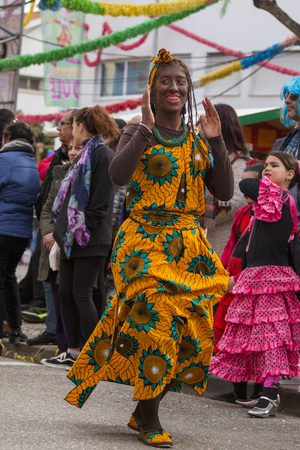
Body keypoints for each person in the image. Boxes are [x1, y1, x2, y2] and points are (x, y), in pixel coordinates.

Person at [65, 49, 233, 448]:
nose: (174, 87)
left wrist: (217, 140)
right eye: (165, 81)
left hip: (188, 247)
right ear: (153, 91)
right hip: (143, 242)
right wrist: (144, 127)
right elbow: (118, 176)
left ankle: (142, 410)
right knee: (155, 318)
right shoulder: (136, 132)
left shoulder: (198, 138)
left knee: (179, 330)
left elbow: (224, 191)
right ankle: (150, 420)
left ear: (188, 89)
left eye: (181, 81)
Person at [210, 151, 300, 418]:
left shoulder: (282, 198)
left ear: (291, 175)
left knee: (271, 339)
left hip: (273, 279)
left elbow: (244, 184)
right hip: (255, 277)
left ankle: (271, 395)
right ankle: (263, 393)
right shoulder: (265, 205)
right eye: (266, 166)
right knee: (254, 338)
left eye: (274, 166)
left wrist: (261, 176)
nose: (267, 170)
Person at [40, 105, 119, 368]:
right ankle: (72, 351)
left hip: (90, 238)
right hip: (72, 237)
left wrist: (79, 229)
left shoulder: (102, 154)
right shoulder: (84, 154)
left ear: (81, 127)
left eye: (71, 125)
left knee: (83, 294)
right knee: (66, 292)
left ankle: (96, 356)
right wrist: (64, 232)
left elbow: (101, 203)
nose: (69, 130)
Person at [210, 160, 265, 406]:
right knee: (232, 334)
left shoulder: (271, 213)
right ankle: (238, 389)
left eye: (249, 183)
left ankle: (261, 390)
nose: (244, 190)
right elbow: (232, 245)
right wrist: (222, 274)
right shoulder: (244, 212)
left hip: (257, 279)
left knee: (256, 337)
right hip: (233, 278)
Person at [24, 110, 75, 340]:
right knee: (47, 279)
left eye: (62, 124)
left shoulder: (84, 161)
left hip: (64, 235)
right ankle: (55, 331)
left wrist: (56, 233)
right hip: (49, 230)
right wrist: (47, 231)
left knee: (66, 288)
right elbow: (48, 202)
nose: (58, 128)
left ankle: (64, 337)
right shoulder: (59, 156)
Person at [27, 140, 83, 349]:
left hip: (72, 244)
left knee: (75, 298)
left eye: (78, 148)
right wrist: (49, 232)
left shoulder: (90, 175)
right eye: (70, 149)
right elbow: (46, 209)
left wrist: (57, 235)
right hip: (53, 245)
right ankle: (63, 347)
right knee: (57, 295)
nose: (72, 153)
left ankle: (77, 347)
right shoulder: (61, 173)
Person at [0, 121, 40, 346]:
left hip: (2, 227)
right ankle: (15, 328)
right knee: (9, 278)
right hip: (21, 231)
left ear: (7, 137)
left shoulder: (6, 160)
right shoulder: (30, 162)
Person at [203, 104, 250, 257]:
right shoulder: (206, 160)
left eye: (206, 124)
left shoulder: (240, 163)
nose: (201, 131)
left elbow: (237, 203)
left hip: (223, 248)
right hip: (205, 244)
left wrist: (198, 210)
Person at [271, 76, 300, 223]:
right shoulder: (282, 143)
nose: (286, 100)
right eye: (286, 95)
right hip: (281, 223)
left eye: (294, 96)